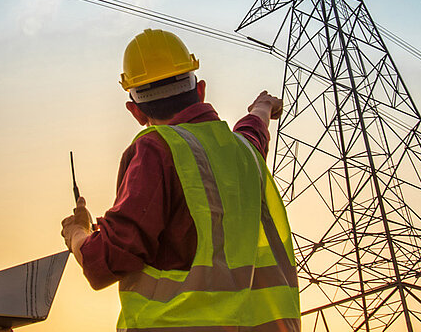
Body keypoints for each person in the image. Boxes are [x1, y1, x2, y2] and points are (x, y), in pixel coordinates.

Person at [60, 28, 301, 332]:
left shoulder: (156, 149)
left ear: (135, 112)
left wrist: (77, 232)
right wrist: (262, 107)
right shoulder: (245, 152)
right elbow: (254, 131)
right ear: (200, 89)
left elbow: (107, 261)